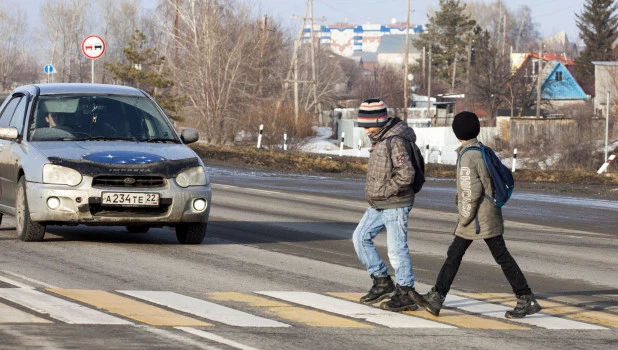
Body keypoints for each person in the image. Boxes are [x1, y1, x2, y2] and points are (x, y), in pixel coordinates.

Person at [412, 111, 542, 319]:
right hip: (488, 213)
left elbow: (469, 193)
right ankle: (437, 297)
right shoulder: (480, 149)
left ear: (456, 132)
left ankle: (526, 298)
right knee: (460, 254)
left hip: (477, 218)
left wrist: (463, 219)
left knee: (478, 256)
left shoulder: (467, 157)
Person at [352, 98, 422, 312]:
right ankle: (382, 281)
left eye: (368, 125)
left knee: (396, 249)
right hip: (379, 203)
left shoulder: (395, 140)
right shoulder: (380, 138)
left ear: (379, 120)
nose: (365, 130)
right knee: (360, 237)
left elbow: (406, 174)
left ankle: (405, 292)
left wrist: (386, 191)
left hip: (395, 202)